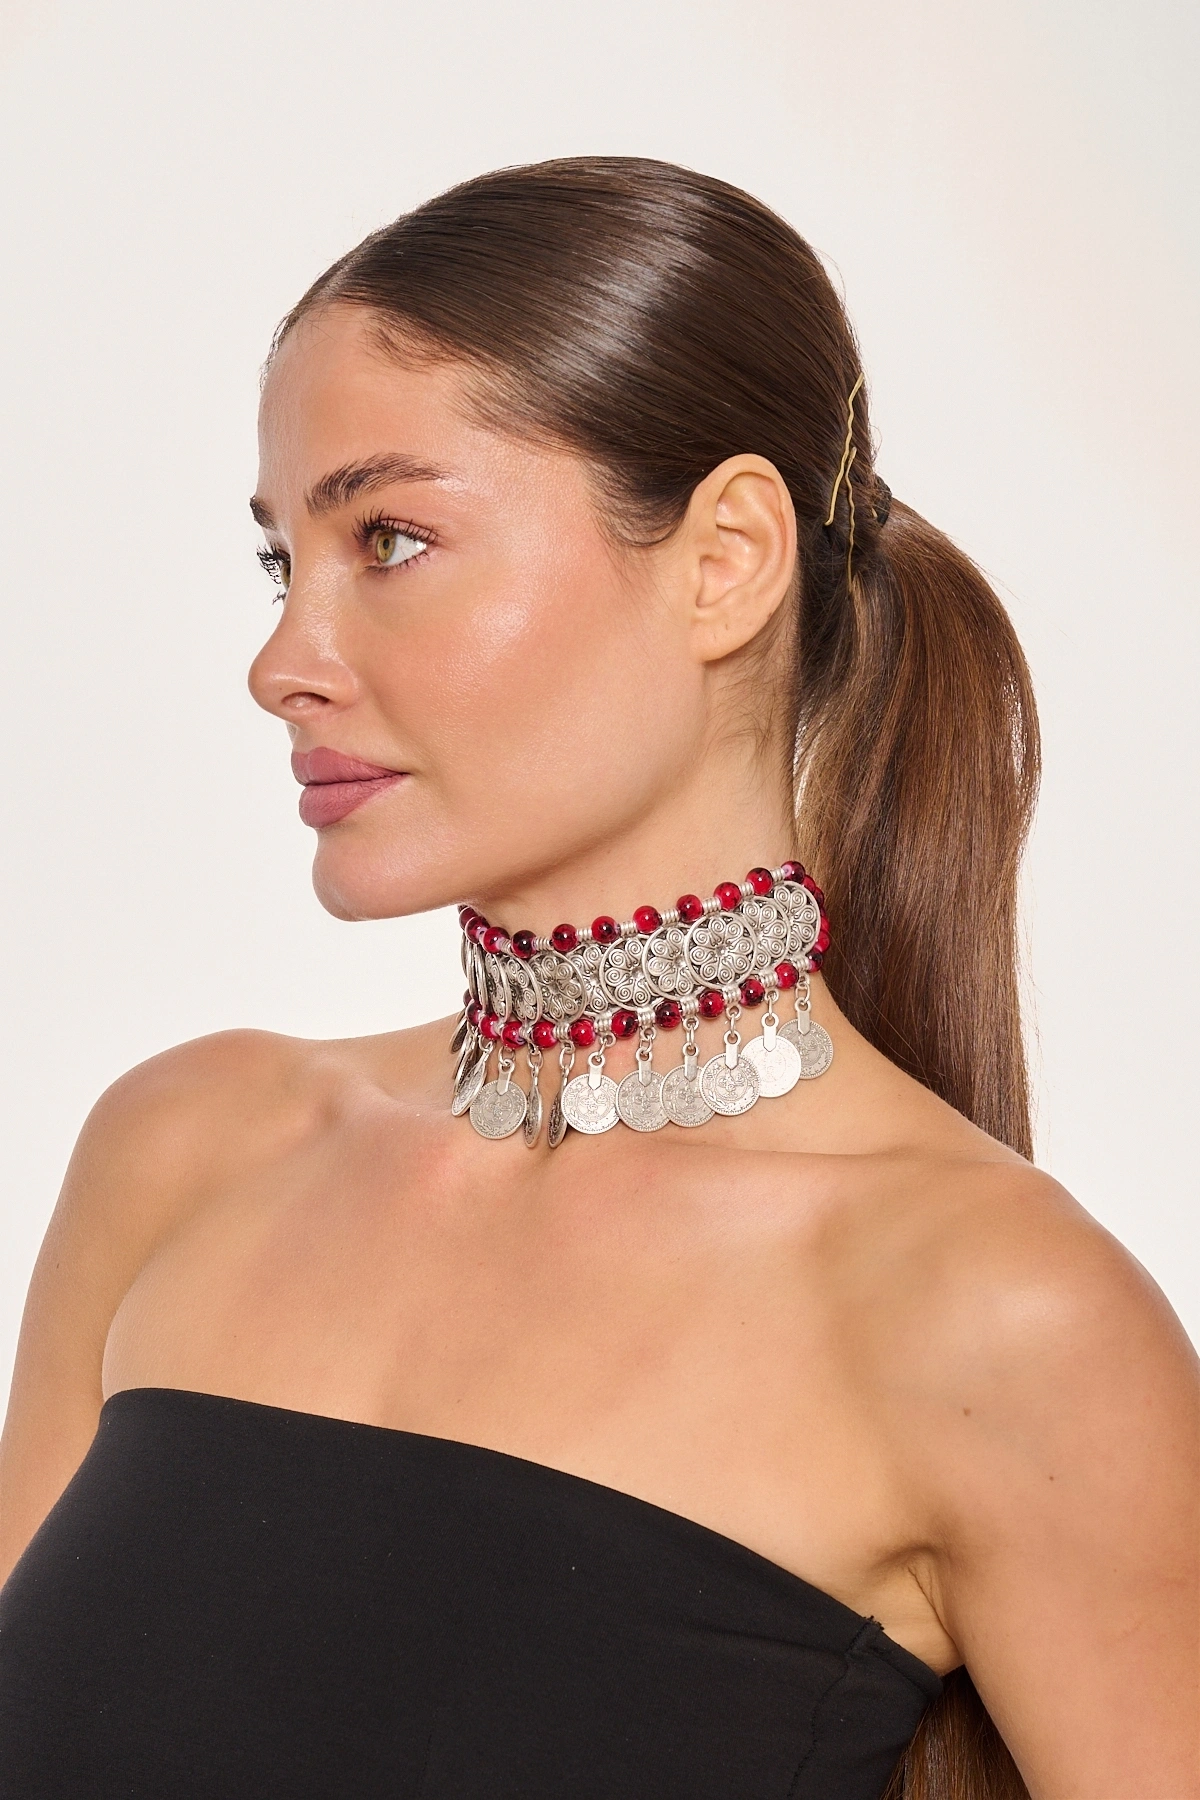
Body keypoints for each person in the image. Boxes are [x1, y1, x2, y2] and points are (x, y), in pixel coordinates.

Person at [0, 157, 1195, 1800]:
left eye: (390, 538)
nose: (282, 663)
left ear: (725, 560)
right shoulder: (185, 1151)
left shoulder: (1003, 1321)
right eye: (285, 561)